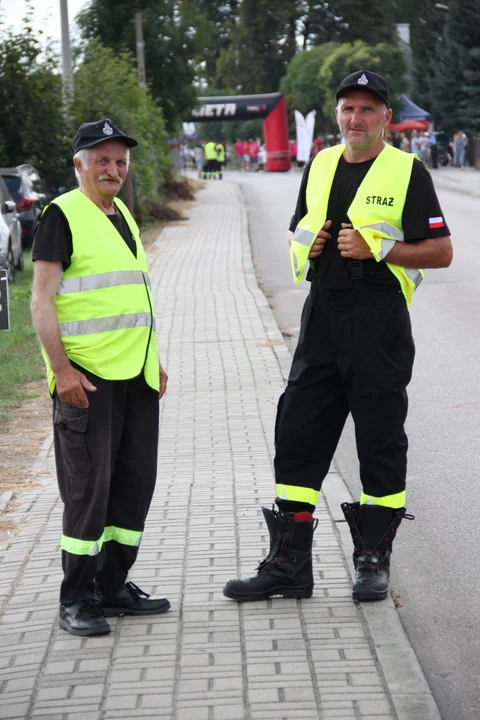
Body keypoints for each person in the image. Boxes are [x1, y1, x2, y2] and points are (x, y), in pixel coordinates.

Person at [223, 70, 452, 604]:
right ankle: (289, 566)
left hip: (378, 321)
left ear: (386, 119)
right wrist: (316, 245)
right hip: (321, 316)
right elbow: (300, 230)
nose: (357, 118)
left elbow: (441, 252)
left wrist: (380, 249)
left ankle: (372, 561)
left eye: (368, 110)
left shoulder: (407, 171)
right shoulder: (321, 163)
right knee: (297, 434)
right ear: (337, 114)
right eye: (348, 108)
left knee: (379, 440)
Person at [30, 118, 170, 636]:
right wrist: (61, 370)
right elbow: (41, 300)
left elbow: (133, 298)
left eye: (119, 160)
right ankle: (76, 597)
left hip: (136, 377)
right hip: (85, 380)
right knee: (89, 491)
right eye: (102, 159)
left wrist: (153, 360)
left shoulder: (122, 215)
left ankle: (112, 586)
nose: (113, 168)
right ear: (79, 163)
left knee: (133, 485)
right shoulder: (61, 215)